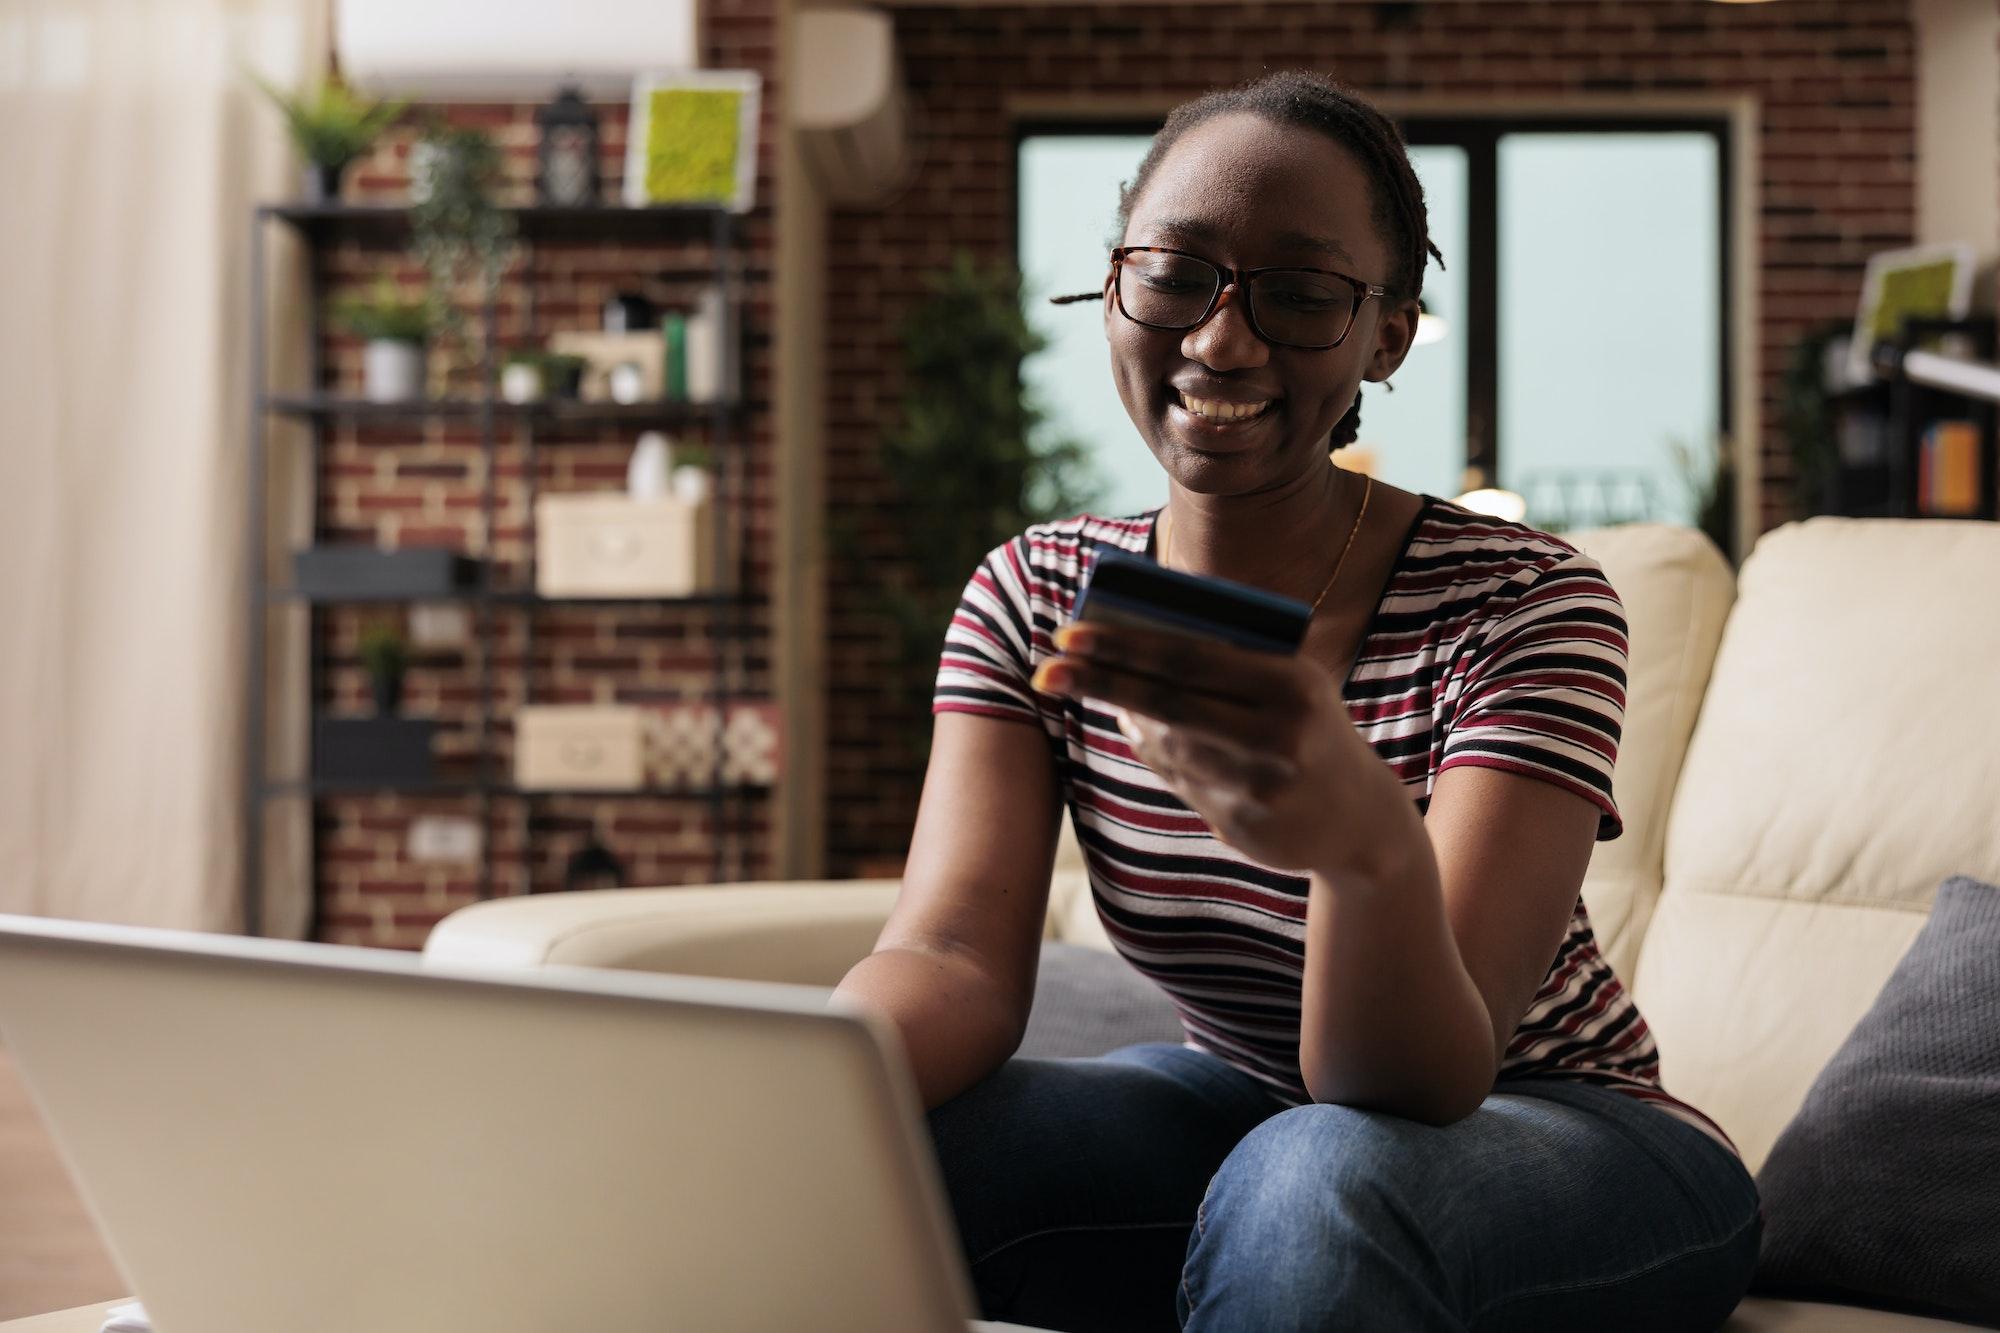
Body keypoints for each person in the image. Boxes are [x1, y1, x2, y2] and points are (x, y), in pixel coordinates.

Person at [832, 70, 1762, 1333]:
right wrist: (799, 1091)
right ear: (1115, 285)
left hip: (1564, 1134)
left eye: (1301, 294)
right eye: (1175, 275)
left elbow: (1415, 1079)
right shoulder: (1038, 589)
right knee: (895, 1152)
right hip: (1245, 1111)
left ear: (1384, 334)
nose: (1220, 340)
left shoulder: (1521, 604)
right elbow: (947, 956)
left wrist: (1361, 849)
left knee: (1314, 1177)